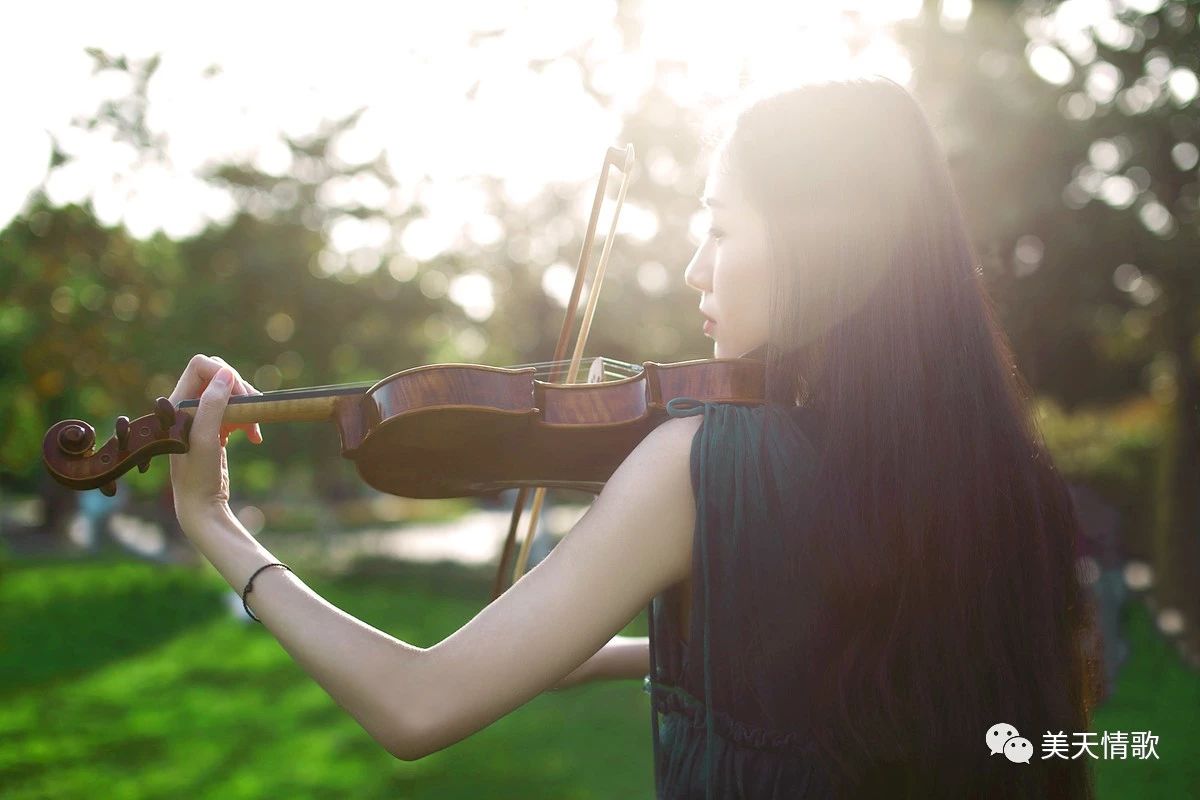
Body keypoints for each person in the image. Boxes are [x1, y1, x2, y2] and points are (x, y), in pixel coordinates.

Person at [168, 75, 1100, 799]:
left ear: (826, 251)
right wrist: (637, 651)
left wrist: (218, 524)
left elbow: (415, 705)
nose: (695, 270)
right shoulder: (1002, 479)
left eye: (722, 231)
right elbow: (842, 676)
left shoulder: (705, 466)